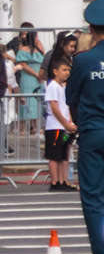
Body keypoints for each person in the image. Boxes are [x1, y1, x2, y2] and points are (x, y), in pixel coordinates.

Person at [66, 0, 104, 254]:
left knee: (93, 199)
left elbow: (71, 99)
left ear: (92, 29)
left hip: (92, 133)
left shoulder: (82, 60)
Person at [44, 57, 77, 192]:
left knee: (64, 155)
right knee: (54, 155)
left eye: (68, 70)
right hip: (55, 126)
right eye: (64, 70)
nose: (67, 72)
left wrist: (70, 122)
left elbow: (66, 106)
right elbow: (55, 108)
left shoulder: (64, 86)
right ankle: (55, 181)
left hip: (64, 126)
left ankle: (63, 181)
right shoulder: (53, 86)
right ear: (55, 71)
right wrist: (65, 123)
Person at [11, 24, 44, 135]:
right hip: (29, 76)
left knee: (37, 101)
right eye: (36, 36)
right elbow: (23, 65)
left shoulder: (39, 47)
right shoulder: (23, 49)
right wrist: (36, 74)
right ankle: (23, 126)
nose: (37, 38)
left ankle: (36, 125)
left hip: (39, 77)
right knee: (27, 100)